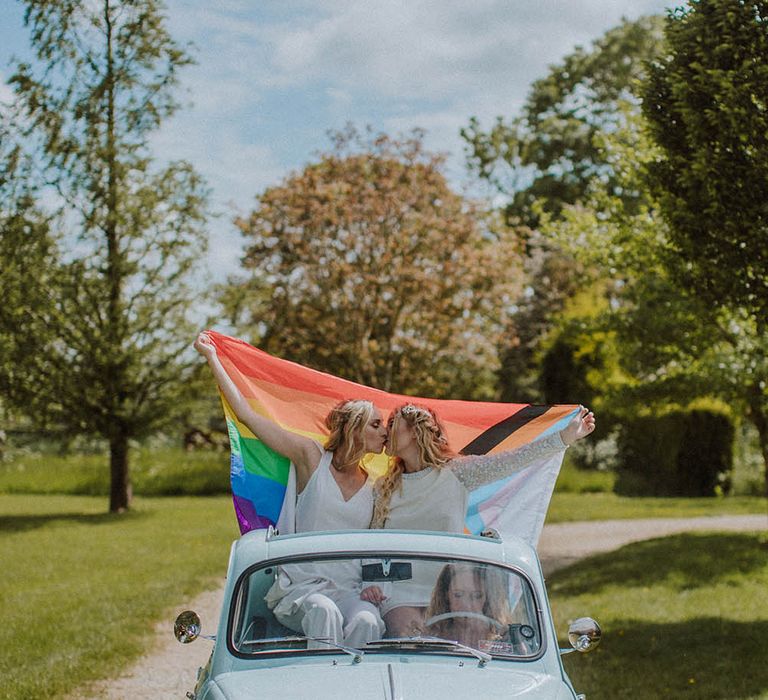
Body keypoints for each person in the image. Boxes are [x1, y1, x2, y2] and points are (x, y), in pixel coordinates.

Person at [194, 331, 387, 647]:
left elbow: (377, 549)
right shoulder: (310, 458)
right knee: (324, 613)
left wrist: (376, 587)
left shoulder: (375, 487)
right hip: (303, 589)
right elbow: (247, 415)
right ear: (354, 428)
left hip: (350, 590)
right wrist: (213, 358)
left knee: (367, 620)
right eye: (376, 424)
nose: (384, 431)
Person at [362, 403, 595, 636]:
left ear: (414, 432)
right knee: (407, 637)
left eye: (392, 424)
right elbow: (372, 545)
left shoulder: (456, 473)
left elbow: (513, 460)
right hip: (398, 593)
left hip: (449, 593)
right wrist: (370, 585)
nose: (385, 431)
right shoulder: (384, 487)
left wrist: (563, 437)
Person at [423, 563, 513, 650]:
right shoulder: (431, 637)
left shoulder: (503, 639)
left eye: (477, 596)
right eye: (458, 595)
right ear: (446, 595)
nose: (467, 605)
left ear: (488, 599)